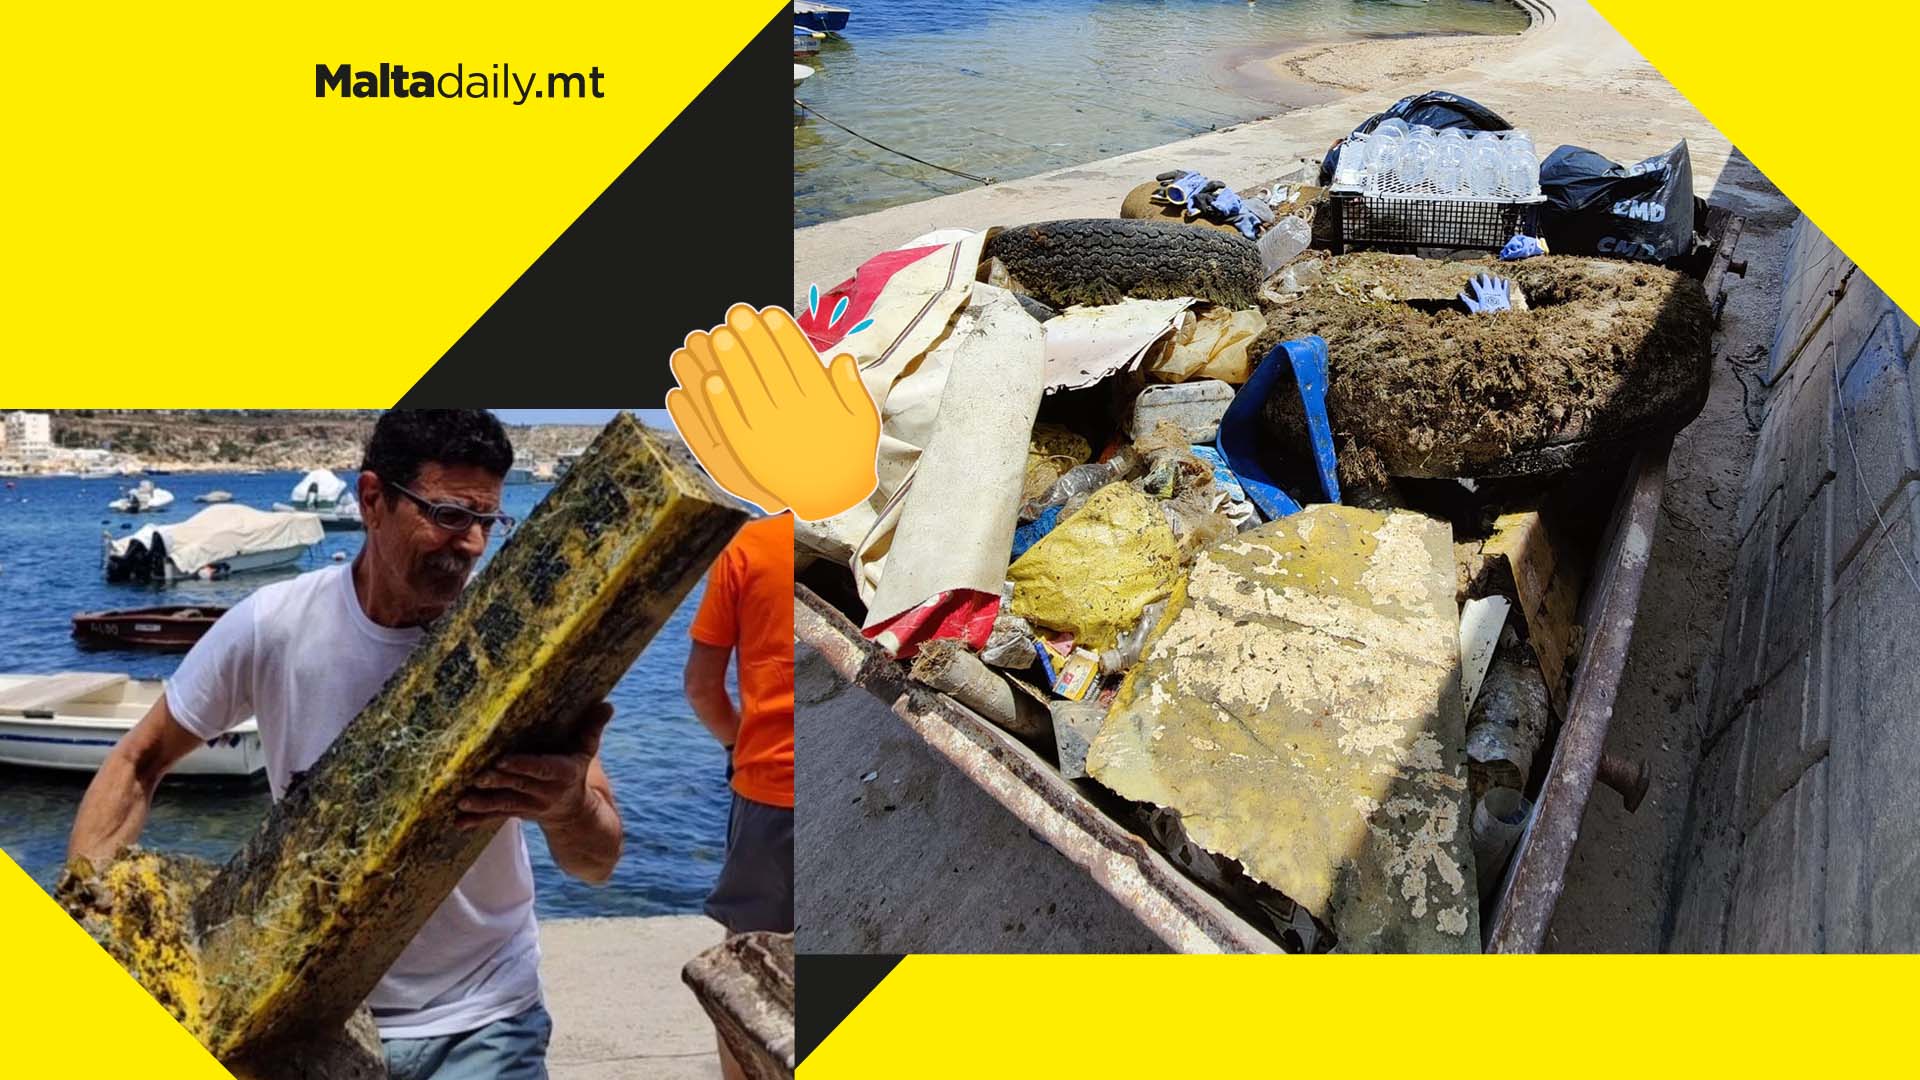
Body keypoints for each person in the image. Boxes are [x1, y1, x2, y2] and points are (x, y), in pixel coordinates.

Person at [68, 409, 623, 1080]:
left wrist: (567, 808)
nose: (472, 545)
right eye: (449, 515)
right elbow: (138, 760)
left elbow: (596, 863)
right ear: (371, 500)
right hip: (304, 1014)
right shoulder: (272, 627)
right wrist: (92, 918)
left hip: (486, 1018)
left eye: (488, 521)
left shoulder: (519, 644)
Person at [683, 512, 794, 1079]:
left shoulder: (751, 545)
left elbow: (702, 688)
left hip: (770, 789)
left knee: (748, 986)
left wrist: (738, 741)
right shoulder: (894, 532)